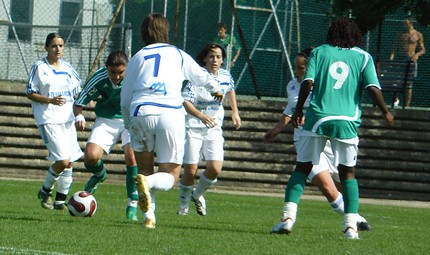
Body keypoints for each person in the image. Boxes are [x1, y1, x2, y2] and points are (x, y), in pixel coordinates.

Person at [270, 17, 394, 239]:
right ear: (355, 34)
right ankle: (350, 227)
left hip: (317, 117)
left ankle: (287, 220)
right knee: (348, 174)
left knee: (302, 168)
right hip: (347, 120)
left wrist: (298, 111)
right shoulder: (363, 56)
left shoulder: (319, 52)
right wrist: (385, 111)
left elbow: (307, 83)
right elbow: (373, 88)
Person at [120, 13, 223, 229]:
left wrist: (129, 123)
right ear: (165, 31)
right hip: (170, 113)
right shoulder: (177, 53)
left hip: (141, 112)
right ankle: (148, 188)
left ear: (143, 33)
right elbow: (200, 76)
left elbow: (126, 96)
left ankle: (149, 217)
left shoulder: (137, 57)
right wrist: (216, 88)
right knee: (171, 175)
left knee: (145, 170)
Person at [264, 47, 370, 230]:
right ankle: (288, 221)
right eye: (296, 67)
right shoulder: (292, 85)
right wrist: (276, 130)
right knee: (328, 188)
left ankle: (355, 220)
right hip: (306, 141)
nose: (297, 71)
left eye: (301, 68)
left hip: (327, 140)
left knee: (342, 183)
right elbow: (290, 110)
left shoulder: (321, 84)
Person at [73, 50, 152, 221]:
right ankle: (100, 174)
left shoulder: (136, 77)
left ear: (127, 69)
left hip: (130, 120)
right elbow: (79, 102)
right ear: (107, 68)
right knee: (90, 157)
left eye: (120, 72)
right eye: (113, 72)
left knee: (131, 157)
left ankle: (132, 203)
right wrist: (79, 116)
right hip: (106, 120)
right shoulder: (100, 77)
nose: (116, 77)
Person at [177, 43, 241, 216]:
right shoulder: (196, 77)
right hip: (193, 128)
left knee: (215, 169)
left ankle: (197, 195)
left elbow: (230, 90)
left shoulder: (226, 76)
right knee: (190, 170)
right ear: (205, 58)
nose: (215, 60)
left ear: (222, 60)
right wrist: (201, 116)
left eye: (218, 57)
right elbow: (186, 102)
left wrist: (235, 111)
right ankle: (183, 207)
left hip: (214, 128)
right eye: (211, 56)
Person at [26, 32, 83, 210]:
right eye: (53, 46)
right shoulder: (39, 67)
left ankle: (59, 201)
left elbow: (77, 92)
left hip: (67, 119)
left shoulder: (68, 68)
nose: (57, 49)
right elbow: (30, 92)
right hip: (48, 118)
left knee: (70, 161)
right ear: (46, 48)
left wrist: (80, 111)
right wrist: (50, 100)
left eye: (60, 45)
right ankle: (45, 190)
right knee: (63, 161)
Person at [390, 15, 425, 107]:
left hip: (411, 60)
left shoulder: (418, 35)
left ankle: (407, 106)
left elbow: (423, 50)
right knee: (397, 81)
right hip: (401, 58)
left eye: (405, 23)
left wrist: (416, 55)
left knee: (409, 83)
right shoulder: (401, 34)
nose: (404, 24)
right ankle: (396, 99)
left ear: (411, 23)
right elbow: (394, 48)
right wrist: (391, 59)